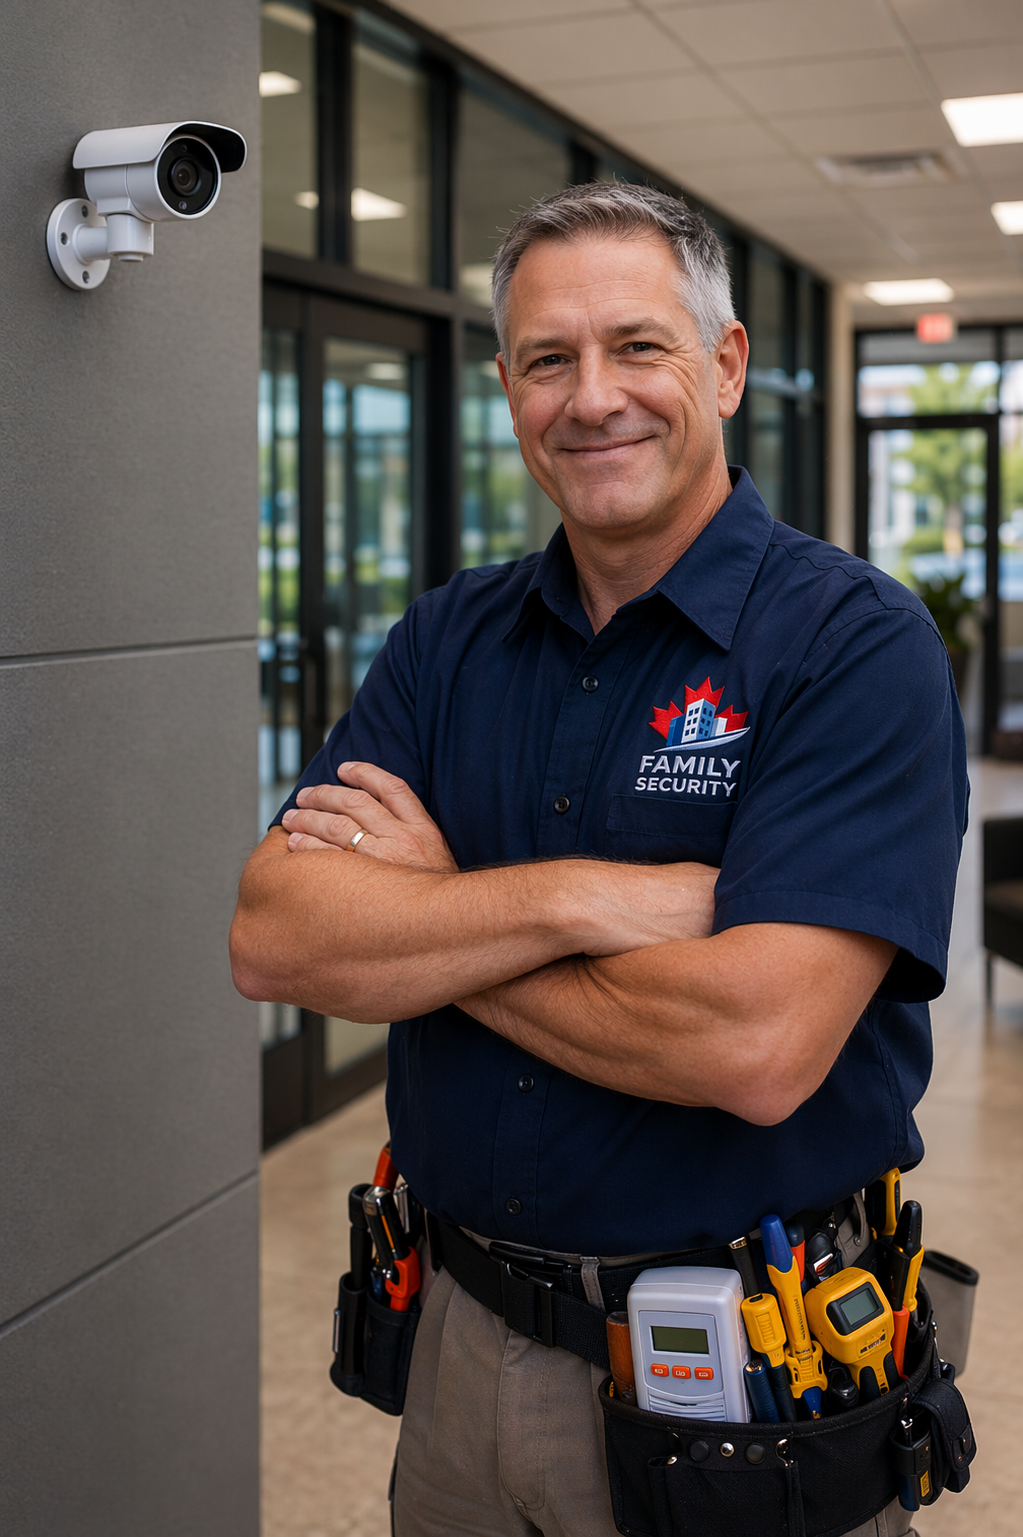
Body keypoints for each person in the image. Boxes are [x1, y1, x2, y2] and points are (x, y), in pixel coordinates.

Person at [231, 183, 967, 1537]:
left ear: (725, 364)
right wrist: (583, 900)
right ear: (505, 385)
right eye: (547, 359)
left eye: (638, 347)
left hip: (740, 1378)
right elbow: (276, 937)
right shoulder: (446, 640)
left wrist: (428, 921)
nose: (592, 399)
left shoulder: (851, 648)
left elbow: (751, 1045)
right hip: (455, 1337)